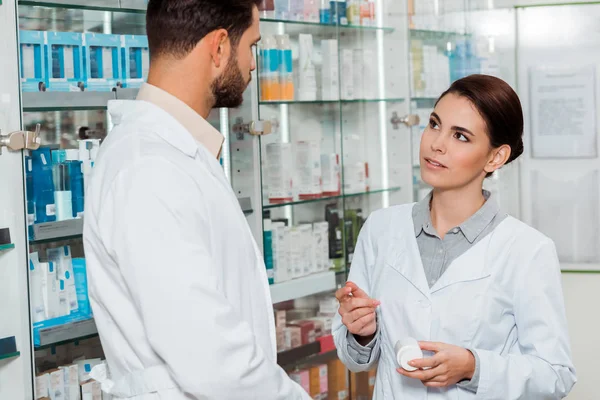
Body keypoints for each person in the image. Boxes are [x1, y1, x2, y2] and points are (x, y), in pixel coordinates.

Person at [83, 1, 312, 399]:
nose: (253, 64)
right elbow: (211, 359)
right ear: (220, 47)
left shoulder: (174, 153)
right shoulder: (147, 169)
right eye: (252, 46)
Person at [333, 75, 577, 399]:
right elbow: (356, 360)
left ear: (495, 158)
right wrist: (361, 333)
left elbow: (555, 375)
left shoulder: (528, 250)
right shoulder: (381, 229)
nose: (437, 143)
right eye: (435, 124)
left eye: (460, 136)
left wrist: (473, 368)